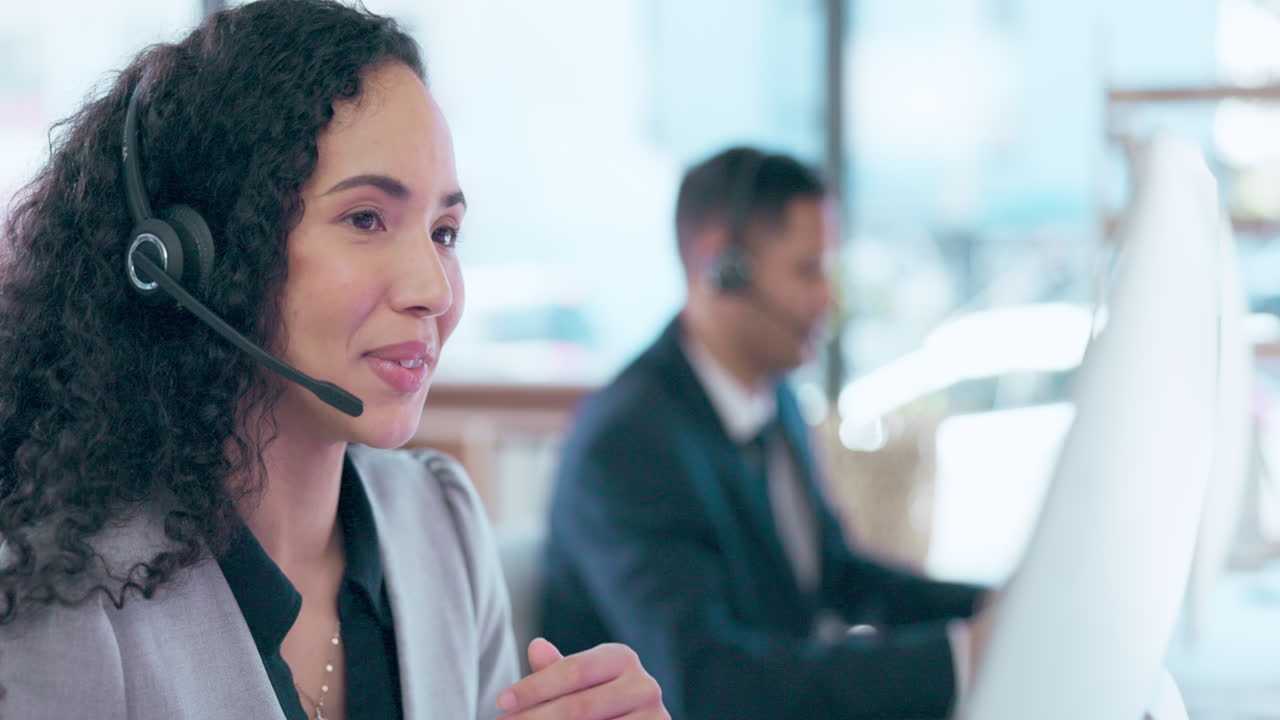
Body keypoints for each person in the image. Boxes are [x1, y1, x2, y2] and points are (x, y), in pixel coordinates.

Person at [0, 2, 667, 719]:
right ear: (198, 259)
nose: (433, 291)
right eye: (365, 219)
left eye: (445, 231)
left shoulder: (440, 526)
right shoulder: (60, 593)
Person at [541, 146, 986, 720]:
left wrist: (995, 609)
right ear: (719, 265)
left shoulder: (771, 397)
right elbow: (705, 685)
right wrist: (956, 660)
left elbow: (837, 575)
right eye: (807, 270)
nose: (828, 297)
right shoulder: (627, 441)